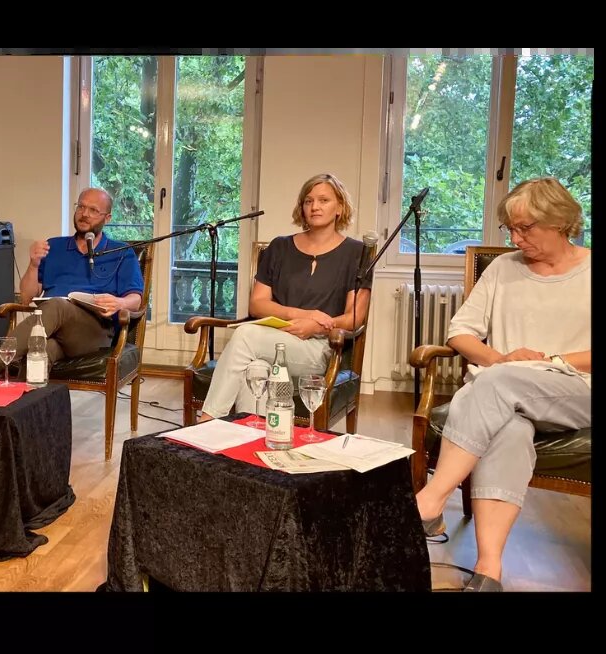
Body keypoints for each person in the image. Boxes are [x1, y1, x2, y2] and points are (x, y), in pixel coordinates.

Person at [415, 177, 591, 592]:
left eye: (525, 228)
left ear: (561, 221)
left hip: (576, 390)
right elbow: (460, 334)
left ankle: (430, 498)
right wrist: (499, 359)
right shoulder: (503, 268)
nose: (515, 238)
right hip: (504, 396)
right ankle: (489, 570)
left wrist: (547, 362)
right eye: (510, 229)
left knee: (500, 383)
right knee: (508, 429)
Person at [199, 172, 372, 420]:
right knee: (256, 369)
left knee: (245, 334)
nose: (314, 207)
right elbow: (257, 304)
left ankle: (207, 421)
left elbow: (355, 318)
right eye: (308, 201)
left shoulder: (357, 253)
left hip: (317, 347)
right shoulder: (280, 247)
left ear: (339, 207)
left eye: (324, 200)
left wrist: (317, 325)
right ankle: (252, 447)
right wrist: (304, 314)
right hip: (272, 338)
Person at [0, 187, 144, 379]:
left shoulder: (121, 252)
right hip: (55, 331)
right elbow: (26, 297)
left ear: (107, 218)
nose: (84, 214)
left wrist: (119, 303)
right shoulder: (54, 246)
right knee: (41, 352)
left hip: (94, 333)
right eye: (81, 207)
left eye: (93, 210)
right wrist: (33, 264)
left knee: (58, 305)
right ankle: (20, 407)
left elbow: (136, 299)